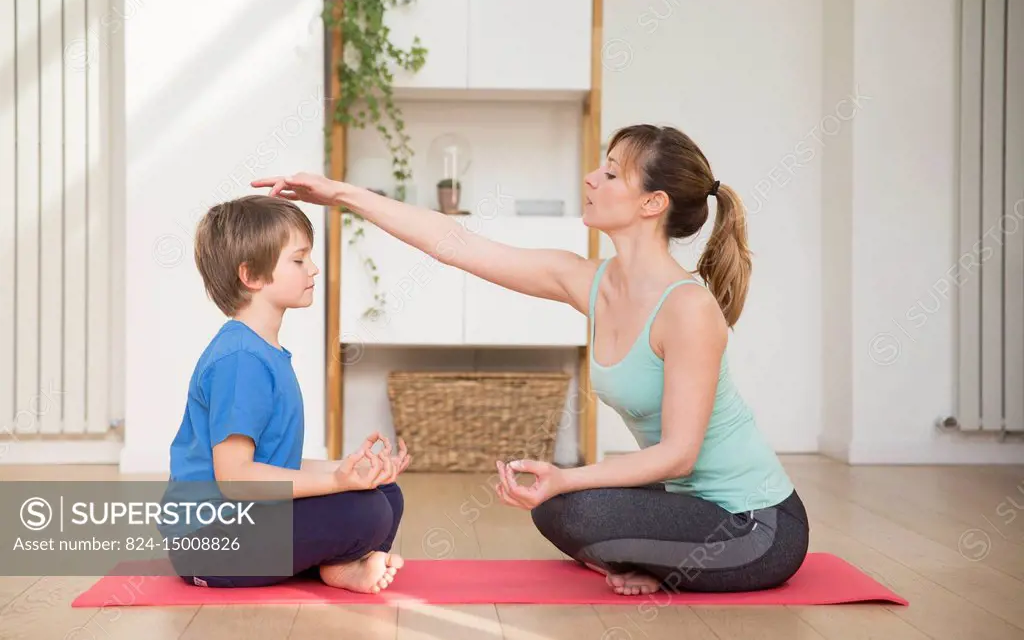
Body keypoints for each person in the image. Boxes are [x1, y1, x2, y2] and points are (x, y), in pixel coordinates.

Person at [251, 123, 810, 596]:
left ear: (653, 203)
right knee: (554, 507)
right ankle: (643, 552)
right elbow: (456, 243)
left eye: (612, 173)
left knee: (576, 506)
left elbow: (679, 455)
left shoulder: (688, 308)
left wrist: (568, 478)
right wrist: (341, 194)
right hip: (684, 504)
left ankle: (648, 556)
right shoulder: (591, 280)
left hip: (754, 525)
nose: (592, 178)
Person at [163, 194, 411, 592]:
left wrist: (348, 471)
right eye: (298, 260)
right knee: (366, 511)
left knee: (384, 493)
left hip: (250, 519)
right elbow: (237, 479)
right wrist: (338, 484)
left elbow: (279, 464)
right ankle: (341, 562)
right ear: (252, 276)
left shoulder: (263, 352)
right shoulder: (240, 359)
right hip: (208, 541)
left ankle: (342, 567)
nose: (313, 268)